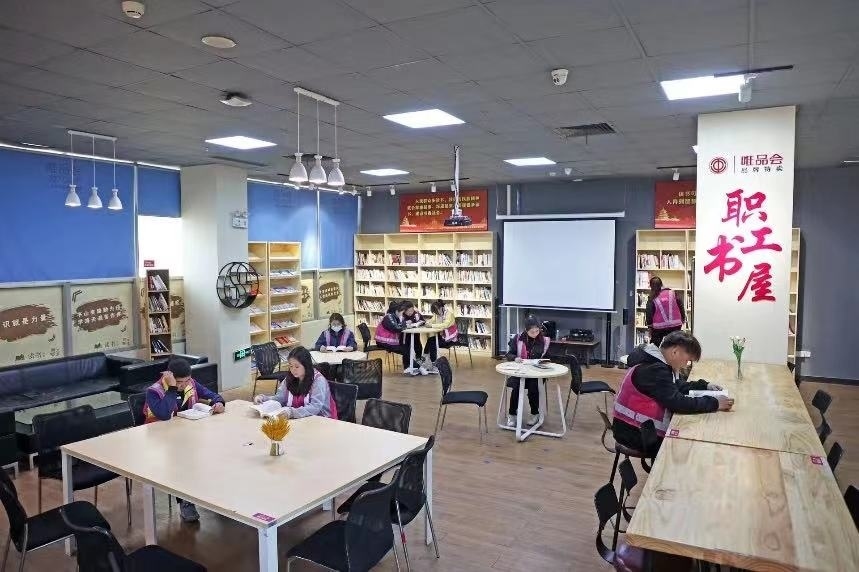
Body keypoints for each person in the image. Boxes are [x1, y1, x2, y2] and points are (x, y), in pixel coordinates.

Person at [613, 330, 734, 456]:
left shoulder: (653, 361)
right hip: (636, 434)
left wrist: (704, 385)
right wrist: (715, 403)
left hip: (634, 428)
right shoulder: (655, 369)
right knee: (693, 446)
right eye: (687, 360)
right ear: (675, 352)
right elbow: (677, 403)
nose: (686, 365)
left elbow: (675, 386)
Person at [142, 357, 225, 523]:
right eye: (180, 382)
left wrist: (218, 402)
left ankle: (216, 494)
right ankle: (186, 501)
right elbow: (164, 414)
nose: (184, 385)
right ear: (169, 376)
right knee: (182, 459)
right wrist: (172, 387)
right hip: (160, 442)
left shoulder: (190, 383)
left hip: (185, 435)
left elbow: (212, 395)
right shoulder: (154, 391)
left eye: (187, 380)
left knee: (214, 450)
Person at [254, 346, 338, 419]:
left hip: (321, 420)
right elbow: (280, 398)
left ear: (306, 365)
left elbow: (315, 407)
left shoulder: (318, 380)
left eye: (297, 367)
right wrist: (264, 399)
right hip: (299, 419)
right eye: (291, 366)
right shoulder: (290, 378)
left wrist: (292, 412)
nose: (293, 370)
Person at [504, 317, 550, 427]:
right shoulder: (518, 338)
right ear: (526, 330)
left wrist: (543, 362)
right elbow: (509, 354)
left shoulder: (544, 340)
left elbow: (550, 358)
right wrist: (515, 358)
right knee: (516, 387)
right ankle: (512, 414)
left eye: (537, 331)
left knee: (533, 388)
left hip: (537, 373)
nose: (535, 334)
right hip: (521, 372)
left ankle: (535, 413)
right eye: (532, 332)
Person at [374, 300, 428, 375]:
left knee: (406, 349)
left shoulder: (393, 316)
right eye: (401, 312)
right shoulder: (388, 317)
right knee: (405, 350)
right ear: (397, 311)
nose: (402, 314)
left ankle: (411, 367)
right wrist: (405, 325)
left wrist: (404, 324)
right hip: (383, 342)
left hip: (389, 341)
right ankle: (418, 367)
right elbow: (396, 328)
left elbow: (398, 325)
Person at [645, 276, 686, 347]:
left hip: (659, 327)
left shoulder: (652, 297)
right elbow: (681, 305)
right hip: (675, 324)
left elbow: (649, 313)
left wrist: (650, 326)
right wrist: (683, 318)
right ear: (661, 284)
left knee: (655, 346)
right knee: (674, 345)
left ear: (651, 286)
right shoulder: (672, 293)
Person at [422, 299, 458, 372]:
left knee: (433, 343)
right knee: (430, 340)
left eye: (436, 311)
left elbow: (445, 325)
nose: (436, 314)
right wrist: (427, 322)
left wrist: (432, 325)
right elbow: (432, 320)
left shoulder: (449, 314)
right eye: (434, 312)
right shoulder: (436, 314)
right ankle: (425, 358)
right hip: (442, 335)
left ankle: (433, 363)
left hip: (450, 338)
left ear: (441, 308)